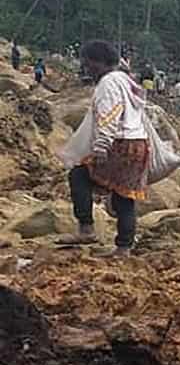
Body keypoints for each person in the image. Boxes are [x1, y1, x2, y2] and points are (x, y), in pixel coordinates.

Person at [55, 40, 149, 256]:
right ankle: (124, 248)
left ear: (101, 62)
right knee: (124, 196)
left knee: (79, 176)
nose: (88, 69)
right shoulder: (127, 81)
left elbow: (110, 113)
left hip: (119, 143)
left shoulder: (108, 83)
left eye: (90, 64)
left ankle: (86, 229)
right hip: (138, 143)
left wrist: (101, 146)